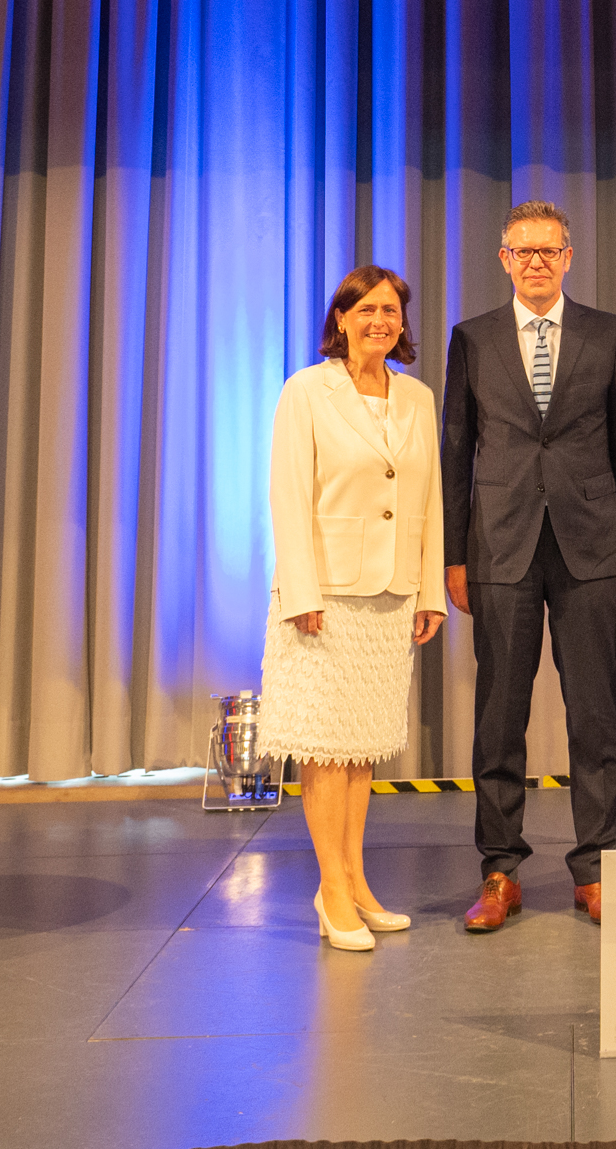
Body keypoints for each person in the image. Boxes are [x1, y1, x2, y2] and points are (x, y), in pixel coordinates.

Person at [441, 200, 616, 932]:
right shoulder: (471, 338)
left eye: (548, 251)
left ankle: (596, 869)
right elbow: (455, 453)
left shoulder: (608, 332)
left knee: (596, 713)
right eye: (521, 251)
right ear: (504, 260)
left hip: (591, 545)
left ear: (568, 257)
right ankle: (500, 870)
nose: (535, 262)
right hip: (499, 547)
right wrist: (455, 554)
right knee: (500, 715)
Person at [259, 265, 446, 952]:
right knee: (327, 749)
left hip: (391, 596)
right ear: (340, 318)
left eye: (391, 309)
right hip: (326, 594)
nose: (379, 320)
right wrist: (300, 591)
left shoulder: (418, 398)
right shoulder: (306, 391)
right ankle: (330, 889)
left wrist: (430, 591)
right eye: (365, 308)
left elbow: (429, 499)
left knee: (363, 747)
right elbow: (287, 494)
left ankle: (355, 880)